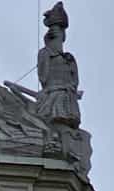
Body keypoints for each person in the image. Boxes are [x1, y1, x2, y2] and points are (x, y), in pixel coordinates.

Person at [35, 3, 82, 132]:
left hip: (67, 99)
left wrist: (71, 89)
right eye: (53, 33)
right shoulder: (45, 53)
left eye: (59, 32)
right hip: (51, 97)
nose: (56, 34)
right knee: (51, 126)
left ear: (63, 35)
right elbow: (43, 77)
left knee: (65, 129)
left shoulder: (69, 59)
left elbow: (74, 82)